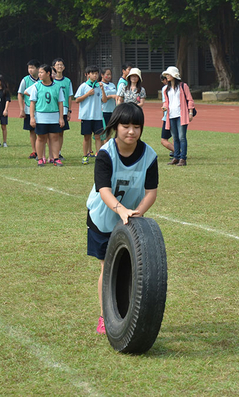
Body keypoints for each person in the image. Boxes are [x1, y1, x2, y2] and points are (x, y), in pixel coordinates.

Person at [85, 102, 159, 335]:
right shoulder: (106, 153)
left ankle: (126, 314)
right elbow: (103, 189)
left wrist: (137, 211)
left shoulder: (149, 155)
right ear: (115, 127)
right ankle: (105, 316)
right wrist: (121, 210)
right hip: (102, 218)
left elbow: (151, 192)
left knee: (128, 269)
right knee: (107, 268)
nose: (131, 131)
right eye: (125, 125)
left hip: (130, 220)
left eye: (136, 126)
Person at [25, 64, 65, 166]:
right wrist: (32, 117)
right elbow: (32, 103)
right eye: (39, 72)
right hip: (41, 116)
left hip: (54, 116)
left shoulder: (57, 87)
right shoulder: (36, 86)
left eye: (41, 72)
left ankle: (55, 158)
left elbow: (60, 103)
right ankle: (40, 158)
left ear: (48, 74)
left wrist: (61, 118)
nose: (39, 74)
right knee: (41, 138)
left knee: (54, 137)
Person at [75, 65, 107, 165]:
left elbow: (104, 100)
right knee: (86, 137)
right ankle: (85, 156)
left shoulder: (99, 86)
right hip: (86, 116)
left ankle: (99, 156)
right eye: (92, 73)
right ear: (88, 75)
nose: (95, 76)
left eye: (96, 74)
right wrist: (87, 94)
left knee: (98, 137)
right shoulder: (83, 86)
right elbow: (77, 99)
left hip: (97, 116)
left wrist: (102, 89)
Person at [162, 66, 194, 167]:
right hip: (171, 115)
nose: (166, 76)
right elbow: (167, 102)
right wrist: (164, 107)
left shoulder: (183, 86)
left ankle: (183, 158)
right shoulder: (167, 89)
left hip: (181, 115)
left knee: (182, 137)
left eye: (168, 74)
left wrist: (190, 112)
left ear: (174, 75)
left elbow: (190, 99)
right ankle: (176, 157)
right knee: (175, 137)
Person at [18, 59, 40, 159]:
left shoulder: (43, 79)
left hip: (41, 109)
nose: (30, 70)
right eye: (29, 68)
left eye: (32, 67)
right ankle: (34, 151)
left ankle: (42, 151)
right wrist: (22, 109)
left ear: (38, 69)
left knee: (42, 132)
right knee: (32, 131)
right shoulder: (25, 80)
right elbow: (20, 94)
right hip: (28, 109)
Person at [52, 58, 73, 160]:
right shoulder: (51, 81)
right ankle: (52, 154)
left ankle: (58, 152)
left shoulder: (67, 81)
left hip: (64, 110)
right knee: (52, 133)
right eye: (57, 65)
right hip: (53, 110)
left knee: (61, 132)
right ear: (54, 67)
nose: (59, 67)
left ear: (64, 67)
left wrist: (69, 111)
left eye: (61, 65)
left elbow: (69, 96)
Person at [159, 74, 174, 156]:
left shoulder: (165, 88)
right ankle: (176, 152)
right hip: (178, 116)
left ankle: (177, 152)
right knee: (176, 136)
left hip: (168, 116)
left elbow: (165, 103)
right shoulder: (180, 87)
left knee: (163, 139)